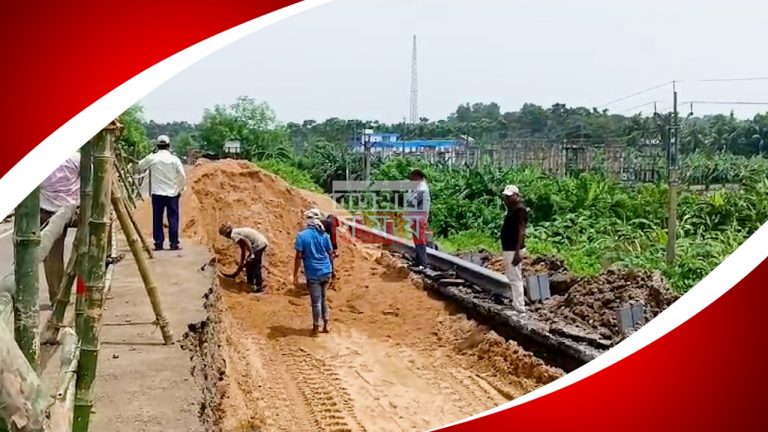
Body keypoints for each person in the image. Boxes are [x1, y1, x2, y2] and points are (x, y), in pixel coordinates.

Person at [39, 152, 80, 304]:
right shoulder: (76, 158)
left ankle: (57, 297)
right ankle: (85, 291)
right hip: (74, 210)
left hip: (47, 211)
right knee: (89, 244)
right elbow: (88, 180)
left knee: (52, 257)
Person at [136, 135, 186, 251]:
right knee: (173, 218)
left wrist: (151, 154)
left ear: (157, 146)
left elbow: (140, 166)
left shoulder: (153, 158)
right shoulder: (175, 159)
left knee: (157, 218)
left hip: (157, 193)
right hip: (172, 193)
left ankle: (159, 243)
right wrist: (179, 189)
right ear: (169, 146)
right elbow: (182, 176)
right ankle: (174, 243)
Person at [293, 209, 334, 337]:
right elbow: (330, 253)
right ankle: (326, 325)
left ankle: (316, 328)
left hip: (313, 273)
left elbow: (298, 256)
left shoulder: (301, 236)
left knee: (316, 301)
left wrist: (295, 274)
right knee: (324, 298)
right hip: (326, 270)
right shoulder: (324, 235)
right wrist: (332, 270)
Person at [217, 223, 268, 293]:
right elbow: (243, 250)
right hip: (261, 241)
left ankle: (259, 286)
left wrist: (251, 254)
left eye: (224, 235)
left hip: (259, 244)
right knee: (249, 264)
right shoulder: (236, 232)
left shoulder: (233, 235)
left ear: (226, 234)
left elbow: (247, 241)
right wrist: (241, 264)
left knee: (255, 266)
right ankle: (250, 284)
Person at [501, 184, 528, 312]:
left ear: (516, 196)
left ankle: (519, 306)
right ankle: (516, 303)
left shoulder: (519, 209)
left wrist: (518, 252)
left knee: (515, 277)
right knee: (512, 276)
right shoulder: (512, 208)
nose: (506, 199)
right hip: (509, 248)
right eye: (506, 197)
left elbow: (521, 231)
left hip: (514, 249)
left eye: (509, 197)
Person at [405, 169, 431, 269]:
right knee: (417, 240)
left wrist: (409, 193)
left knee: (420, 240)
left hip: (419, 218)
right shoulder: (418, 187)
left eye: (412, 178)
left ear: (417, 177)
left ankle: (423, 263)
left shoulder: (422, 189)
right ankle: (418, 261)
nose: (411, 180)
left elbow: (411, 201)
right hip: (415, 217)